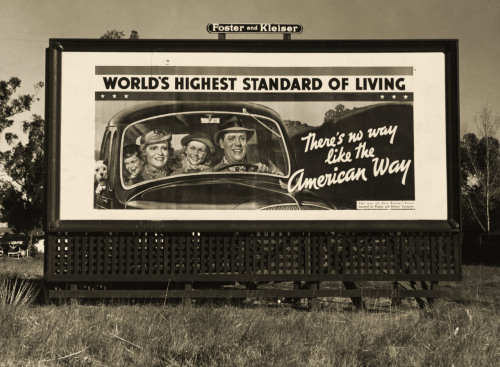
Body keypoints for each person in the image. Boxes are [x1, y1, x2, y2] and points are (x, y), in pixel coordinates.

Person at [213, 116, 281, 174]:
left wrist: (269, 174)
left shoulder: (257, 171)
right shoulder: (210, 173)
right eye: (231, 138)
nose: (238, 143)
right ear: (222, 144)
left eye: (242, 138)